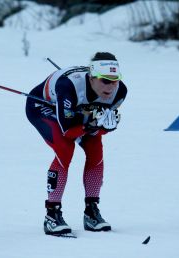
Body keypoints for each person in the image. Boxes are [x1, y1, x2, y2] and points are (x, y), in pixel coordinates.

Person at [25, 52, 127, 236]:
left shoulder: (120, 92)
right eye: (105, 80)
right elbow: (69, 131)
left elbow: (97, 129)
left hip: (77, 113)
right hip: (43, 106)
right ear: (92, 76)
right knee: (65, 149)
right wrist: (94, 124)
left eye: (115, 80)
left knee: (95, 149)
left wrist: (104, 127)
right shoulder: (69, 86)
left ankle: (91, 211)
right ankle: (52, 214)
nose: (111, 87)